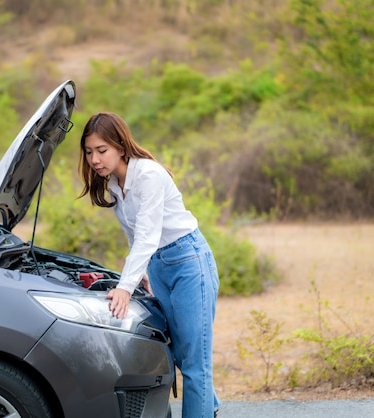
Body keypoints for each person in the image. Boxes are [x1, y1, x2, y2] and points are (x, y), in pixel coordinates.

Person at [77, 111, 221, 418]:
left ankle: (203, 405)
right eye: (89, 152)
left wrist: (124, 288)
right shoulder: (116, 184)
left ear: (120, 146)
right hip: (158, 266)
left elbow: (147, 235)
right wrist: (141, 274)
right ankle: (209, 403)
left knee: (195, 363)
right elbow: (134, 236)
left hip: (188, 262)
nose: (94, 159)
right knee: (180, 352)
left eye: (101, 150)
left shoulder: (150, 176)